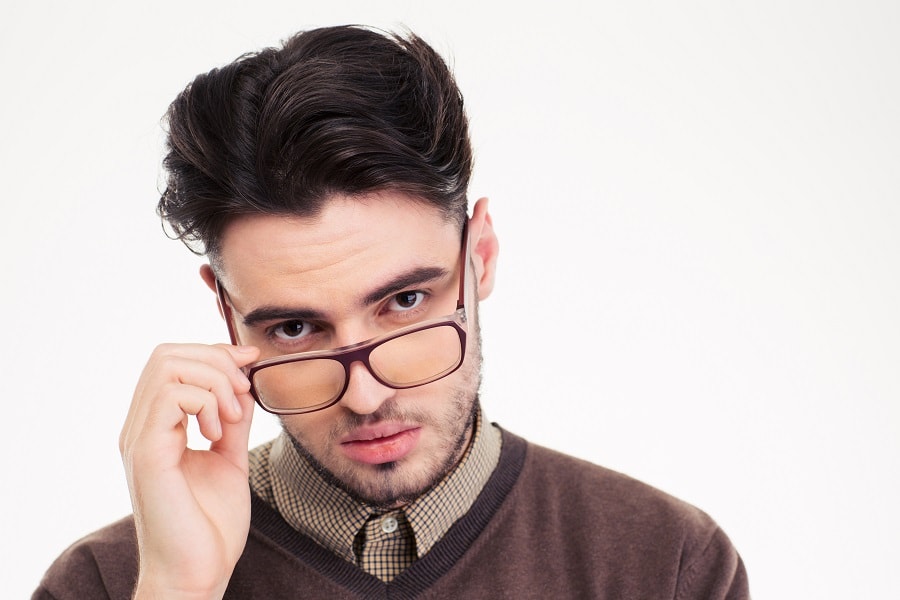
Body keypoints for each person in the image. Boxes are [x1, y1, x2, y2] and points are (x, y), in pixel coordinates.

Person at [34, 25, 749, 599]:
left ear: (482, 258)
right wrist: (180, 590)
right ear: (227, 317)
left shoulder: (665, 566)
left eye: (405, 303)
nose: (367, 395)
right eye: (295, 328)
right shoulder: (106, 585)